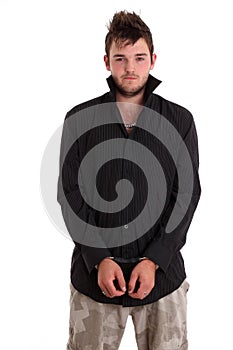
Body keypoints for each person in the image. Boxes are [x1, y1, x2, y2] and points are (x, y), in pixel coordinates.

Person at [57, 11, 201, 350]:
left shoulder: (180, 120)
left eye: (139, 58)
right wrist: (98, 257)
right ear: (107, 62)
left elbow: (187, 194)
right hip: (94, 280)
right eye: (120, 59)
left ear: (153, 60)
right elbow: (69, 193)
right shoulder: (79, 120)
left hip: (162, 279)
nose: (130, 68)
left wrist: (154, 259)